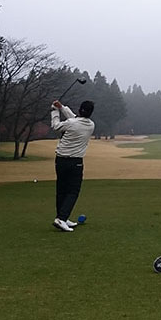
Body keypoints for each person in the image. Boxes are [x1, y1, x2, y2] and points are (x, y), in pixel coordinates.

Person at [50, 99, 95, 232]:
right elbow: (75, 119)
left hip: (60, 160)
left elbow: (56, 126)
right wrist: (60, 108)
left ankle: (62, 217)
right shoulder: (91, 125)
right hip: (75, 162)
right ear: (90, 113)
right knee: (73, 191)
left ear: (80, 110)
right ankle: (61, 218)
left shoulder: (71, 123)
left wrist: (55, 111)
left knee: (61, 190)